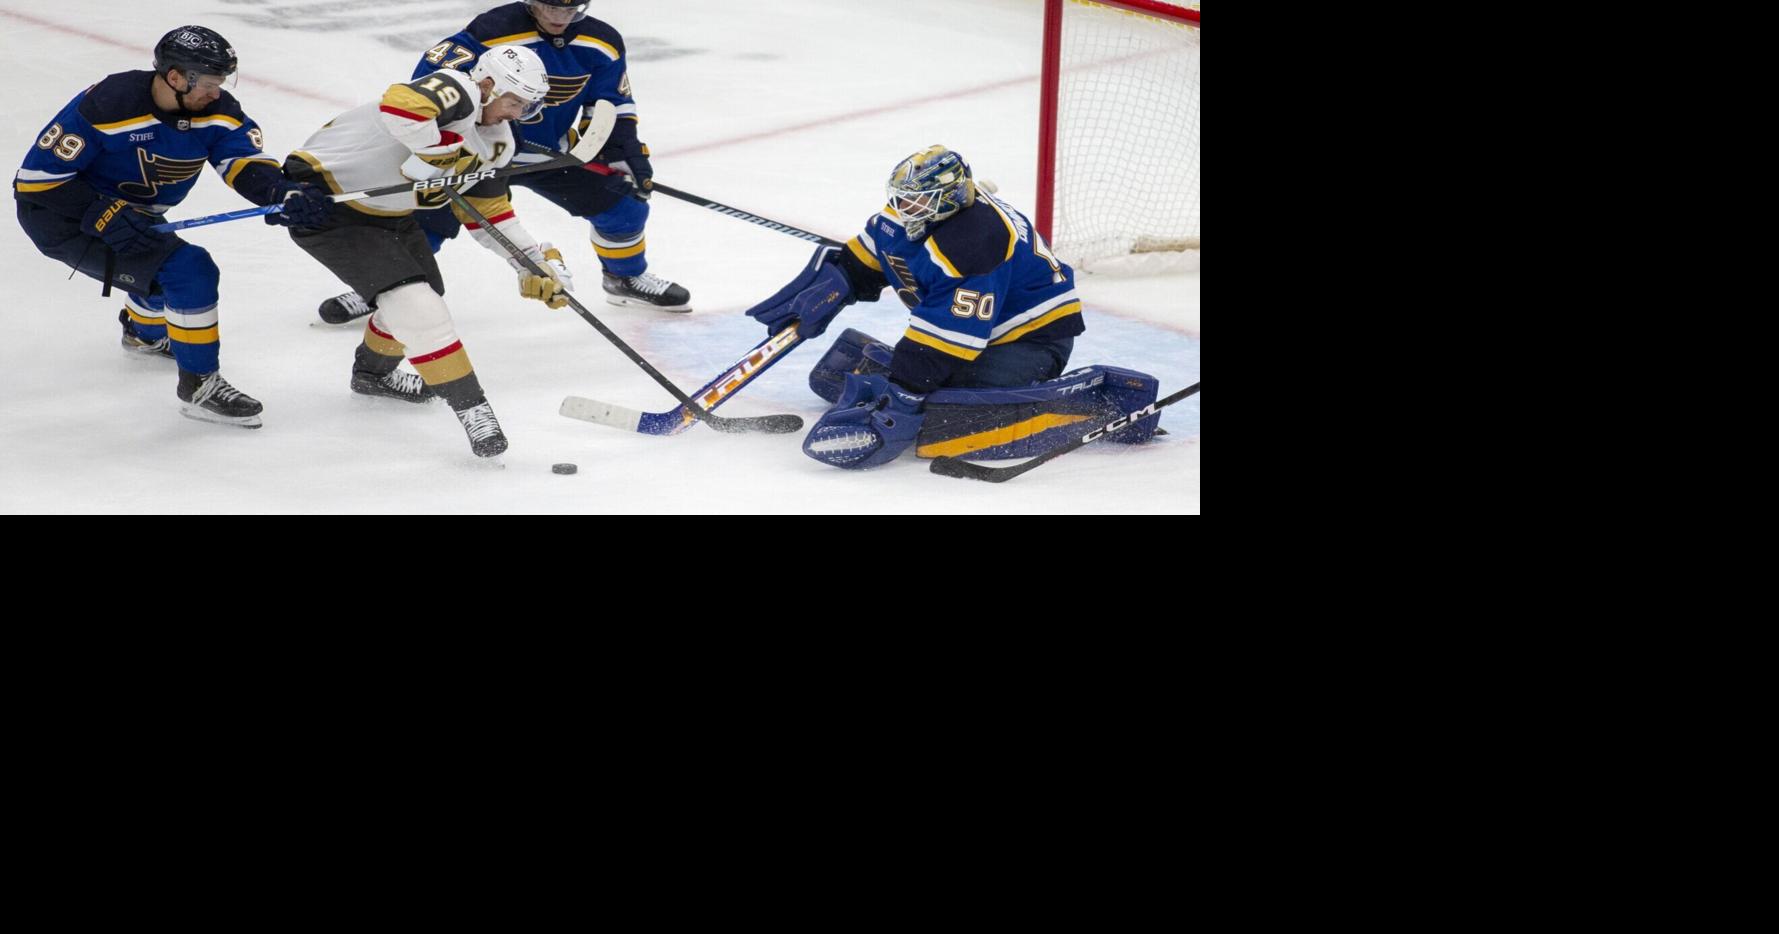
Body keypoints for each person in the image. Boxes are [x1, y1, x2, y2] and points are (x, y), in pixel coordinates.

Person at [13, 25, 332, 428]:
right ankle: (199, 387)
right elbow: (35, 182)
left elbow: (242, 162)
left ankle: (144, 335)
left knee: (160, 269)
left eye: (222, 81)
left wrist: (281, 193)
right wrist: (102, 212)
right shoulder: (110, 105)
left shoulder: (218, 111)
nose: (216, 92)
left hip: (135, 215)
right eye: (209, 82)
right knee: (189, 270)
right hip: (62, 218)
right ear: (176, 77)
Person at [313, 0, 690, 326]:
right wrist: (480, 128)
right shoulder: (492, 31)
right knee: (426, 223)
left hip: (553, 155)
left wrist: (623, 149)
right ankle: (378, 287)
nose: (561, 16)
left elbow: (612, 103)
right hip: (474, 152)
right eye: (552, 6)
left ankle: (624, 279)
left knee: (624, 207)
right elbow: (427, 85)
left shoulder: (602, 42)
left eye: (572, 8)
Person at [280, 44, 571, 457]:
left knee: (421, 297)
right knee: (417, 307)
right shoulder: (459, 89)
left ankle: (373, 375)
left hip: (389, 215)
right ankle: (474, 410)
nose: (517, 114)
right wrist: (441, 153)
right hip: (323, 200)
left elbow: (489, 213)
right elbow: (402, 105)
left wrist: (530, 263)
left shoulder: (498, 144)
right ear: (488, 84)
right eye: (515, 102)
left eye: (526, 107)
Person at [744, 146, 1091, 469]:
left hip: (1032, 341)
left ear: (948, 199)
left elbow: (946, 338)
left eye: (916, 201)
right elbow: (873, 256)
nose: (904, 208)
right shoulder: (910, 213)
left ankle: (1057, 410)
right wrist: (833, 287)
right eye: (902, 199)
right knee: (925, 374)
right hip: (986, 327)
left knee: (947, 397)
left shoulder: (976, 244)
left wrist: (903, 393)